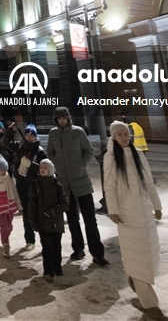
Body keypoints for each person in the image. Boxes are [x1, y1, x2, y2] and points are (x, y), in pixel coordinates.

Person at [105, 120, 164, 319]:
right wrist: (113, 209)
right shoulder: (111, 158)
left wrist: (156, 205)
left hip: (145, 212)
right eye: (119, 134)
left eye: (126, 133)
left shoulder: (139, 155)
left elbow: (148, 181)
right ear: (113, 137)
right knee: (137, 254)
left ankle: (134, 277)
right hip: (127, 214)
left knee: (148, 253)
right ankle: (150, 305)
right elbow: (109, 186)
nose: (124, 137)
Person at [47, 106, 108, 266]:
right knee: (72, 218)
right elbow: (50, 153)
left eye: (64, 118)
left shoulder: (78, 132)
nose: (61, 120)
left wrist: (81, 165)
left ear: (68, 118)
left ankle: (97, 252)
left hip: (81, 181)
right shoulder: (53, 133)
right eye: (59, 118)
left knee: (90, 219)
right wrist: (58, 166)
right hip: (64, 184)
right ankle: (78, 248)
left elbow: (88, 151)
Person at [28, 158, 69, 281]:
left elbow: (65, 203)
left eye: (45, 168)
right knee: (47, 248)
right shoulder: (36, 186)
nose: (42, 170)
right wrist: (33, 221)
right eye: (41, 167)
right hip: (42, 223)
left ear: (50, 170)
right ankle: (48, 271)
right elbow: (32, 205)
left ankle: (57, 267)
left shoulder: (57, 186)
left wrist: (53, 211)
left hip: (56, 222)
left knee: (56, 246)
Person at [11, 123, 47, 250]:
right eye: (27, 134)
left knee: (39, 211)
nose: (29, 136)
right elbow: (7, 144)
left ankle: (44, 239)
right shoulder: (20, 149)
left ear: (35, 136)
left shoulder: (40, 151)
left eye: (31, 134)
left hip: (35, 185)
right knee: (26, 213)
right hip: (21, 184)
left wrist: (30, 165)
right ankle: (30, 240)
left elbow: (44, 169)